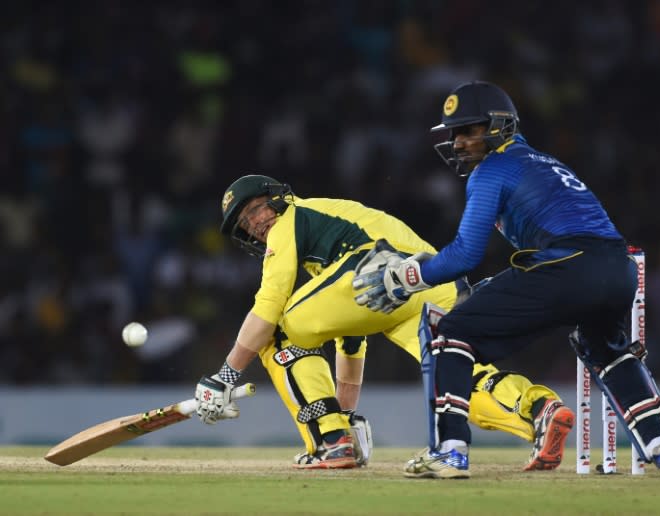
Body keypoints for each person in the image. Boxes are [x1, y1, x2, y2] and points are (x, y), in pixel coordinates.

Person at [353, 80, 660, 479]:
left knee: (449, 333)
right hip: (617, 269)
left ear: (499, 125)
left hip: (566, 266)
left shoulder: (492, 170)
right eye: (454, 133)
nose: (460, 142)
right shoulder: (546, 162)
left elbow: (465, 254)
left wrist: (410, 274)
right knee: (606, 350)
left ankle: (450, 451)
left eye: (469, 130)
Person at [193, 173, 574, 470]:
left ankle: (328, 440)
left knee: (274, 331)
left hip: (371, 272)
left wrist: (224, 377)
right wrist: (344, 412)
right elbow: (351, 338)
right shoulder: (329, 233)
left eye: (255, 210)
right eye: (244, 222)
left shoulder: (291, 219)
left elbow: (266, 310)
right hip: (431, 281)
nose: (253, 225)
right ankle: (538, 408)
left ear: (277, 198)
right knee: (456, 381)